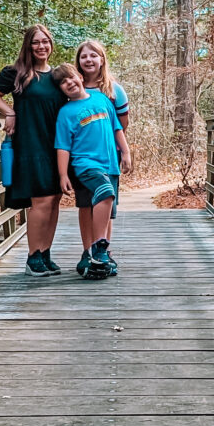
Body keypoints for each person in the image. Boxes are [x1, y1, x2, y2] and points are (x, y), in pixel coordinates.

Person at [0, 25, 66, 277]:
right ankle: (33, 256)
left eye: (45, 42)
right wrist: (9, 111)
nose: (41, 46)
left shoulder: (58, 76)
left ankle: (46, 252)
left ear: (51, 44)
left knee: (54, 200)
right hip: (30, 143)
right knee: (40, 201)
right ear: (28, 46)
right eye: (36, 42)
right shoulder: (16, 73)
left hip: (57, 145)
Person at [51, 63, 132, 280]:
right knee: (102, 194)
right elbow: (63, 146)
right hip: (85, 164)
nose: (69, 83)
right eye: (63, 83)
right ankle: (96, 248)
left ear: (79, 77)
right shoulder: (66, 112)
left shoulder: (103, 100)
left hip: (110, 164)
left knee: (107, 208)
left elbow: (117, 128)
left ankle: (97, 255)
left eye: (70, 78)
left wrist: (126, 153)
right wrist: (63, 174)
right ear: (61, 90)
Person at [75, 40, 129, 254]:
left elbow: (121, 125)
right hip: (81, 158)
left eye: (93, 55)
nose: (88, 60)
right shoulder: (72, 88)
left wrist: (124, 151)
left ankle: (103, 252)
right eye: (84, 56)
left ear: (102, 59)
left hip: (108, 156)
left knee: (106, 203)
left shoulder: (114, 90)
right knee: (85, 204)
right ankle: (87, 252)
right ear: (78, 62)